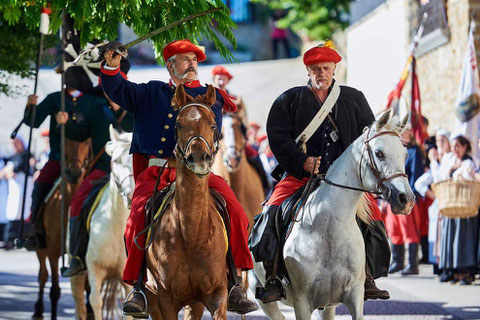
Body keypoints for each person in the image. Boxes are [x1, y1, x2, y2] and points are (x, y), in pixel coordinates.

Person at [100, 39, 257, 317]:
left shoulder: (212, 96)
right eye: (185, 59)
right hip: (158, 172)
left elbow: (211, 134)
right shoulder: (151, 92)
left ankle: (234, 283)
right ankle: (138, 287)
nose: (192, 64)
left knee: (236, 211)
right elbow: (119, 90)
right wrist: (112, 66)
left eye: (195, 59)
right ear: (170, 66)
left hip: (197, 172)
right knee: (136, 217)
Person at [249, 41, 391, 302]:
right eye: (315, 69)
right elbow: (277, 137)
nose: (321, 74)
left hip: (346, 182)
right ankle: (273, 277)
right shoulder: (288, 100)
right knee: (271, 212)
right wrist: (300, 160)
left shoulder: (354, 98)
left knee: (373, 216)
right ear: (308, 71)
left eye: (325, 68)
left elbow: (370, 137)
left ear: (334, 69)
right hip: (300, 176)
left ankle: (368, 276)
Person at [58, 71, 135, 277]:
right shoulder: (95, 112)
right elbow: (79, 134)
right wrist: (65, 123)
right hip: (102, 170)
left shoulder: (137, 112)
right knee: (76, 204)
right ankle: (75, 256)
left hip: (132, 171)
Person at [18, 89, 98, 250]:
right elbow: (33, 122)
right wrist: (31, 106)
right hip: (58, 157)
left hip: (88, 161)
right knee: (40, 182)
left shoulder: (94, 99)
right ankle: (35, 227)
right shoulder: (55, 98)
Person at [437, 135, 479, 284]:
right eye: (453, 146)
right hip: (451, 204)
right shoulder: (450, 160)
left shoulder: (469, 162)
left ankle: (466, 272)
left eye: (458, 146)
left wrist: (458, 173)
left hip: (465, 205)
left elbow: (469, 178)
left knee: (464, 240)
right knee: (451, 238)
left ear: (464, 147)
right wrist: (451, 169)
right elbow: (441, 177)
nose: (455, 149)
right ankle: (452, 271)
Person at [385, 124, 425, 275]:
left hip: (406, 197)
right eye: (399, 131)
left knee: (409, 231)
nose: (402, 134)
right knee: (394, 230)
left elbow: (416, 176)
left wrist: (411, 197)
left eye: (405, 131)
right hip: (393, 197)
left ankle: (412, 265)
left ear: (410, 133)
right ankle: (397, 262)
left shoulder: (414, 152)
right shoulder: (394, 151)